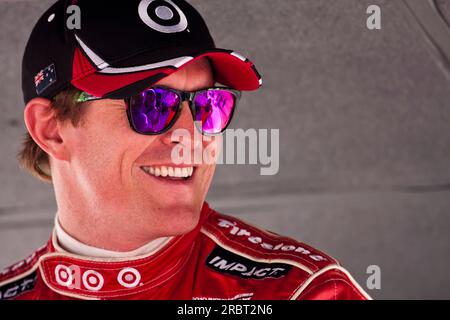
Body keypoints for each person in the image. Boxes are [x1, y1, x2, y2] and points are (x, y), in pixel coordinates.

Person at [0, 0, 370, 300]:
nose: (190, 137)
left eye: (209, 104)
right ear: (52, 131)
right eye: (150, 104)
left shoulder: (301, 292)